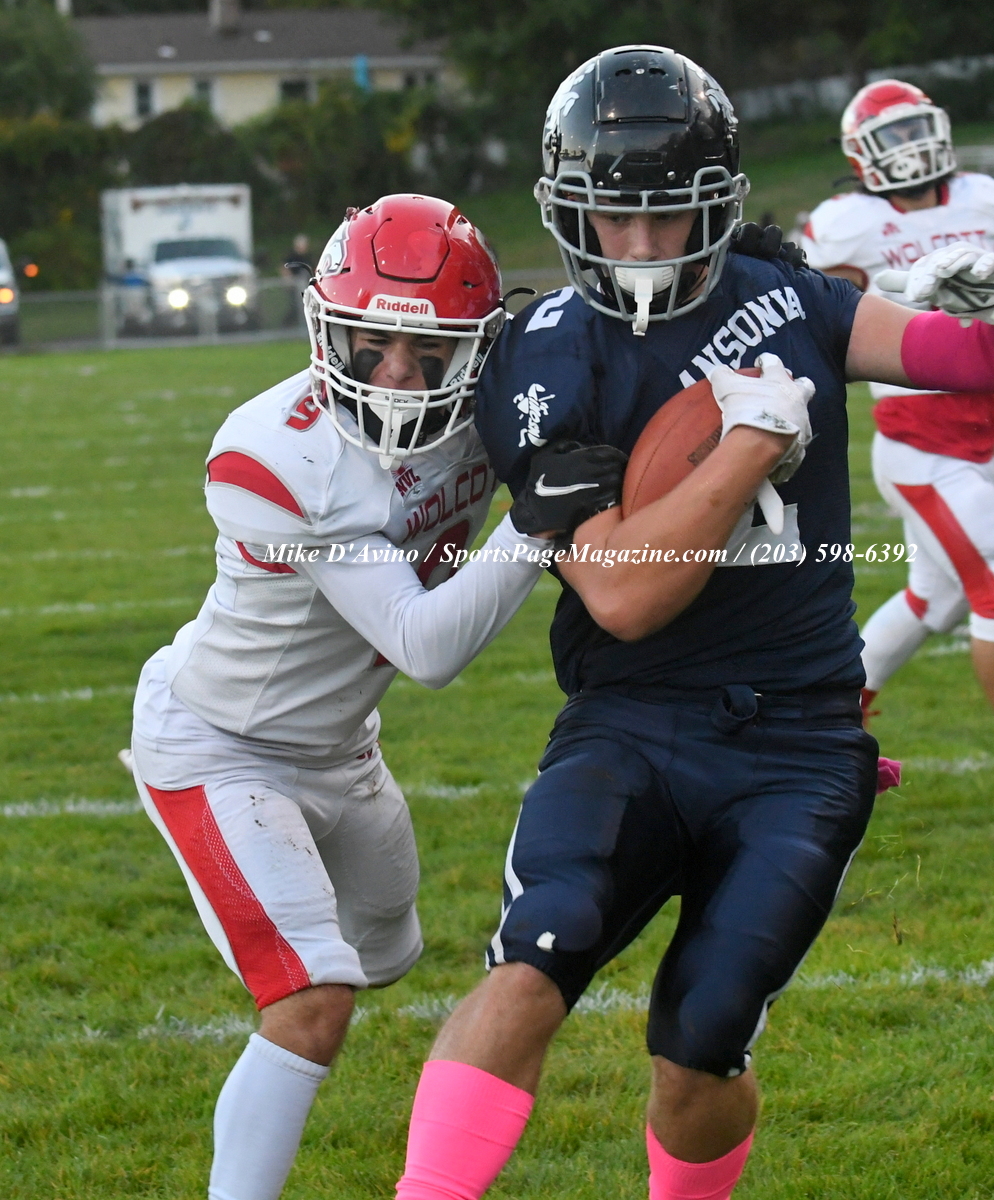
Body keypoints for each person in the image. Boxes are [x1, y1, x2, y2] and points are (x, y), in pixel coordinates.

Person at [390, 47, 994, 1200]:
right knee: (535, 956)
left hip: (799, 741)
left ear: (721, 202)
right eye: (612, 216)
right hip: (631, 718)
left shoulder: (793, 300)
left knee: (701, 1036)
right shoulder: (541, 353)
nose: (640, 244)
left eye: (670, 214)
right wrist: (749, 445)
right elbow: (621, 594)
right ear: (566, 210)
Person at [127, 193, 624, 1200]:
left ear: (474, 350)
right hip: (223, 746)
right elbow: (424, 645)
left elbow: (601, 343)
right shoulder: (280, 452)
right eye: (372, 341)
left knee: (389, 953)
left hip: (345, 748)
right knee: (313, 1003)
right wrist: (533, 526)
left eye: (427, 349)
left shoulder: (492, 401)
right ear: (330, 327)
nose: (395, 372)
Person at [802, 80, 994, 803]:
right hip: (920, 442)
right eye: (892, 136)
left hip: (978, 432)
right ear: (860, 155)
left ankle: (821, 729)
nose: (911, 147)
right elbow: (818, 321)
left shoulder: (984, 201)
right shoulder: (846, 225)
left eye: (917, 128)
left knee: (936, 599)